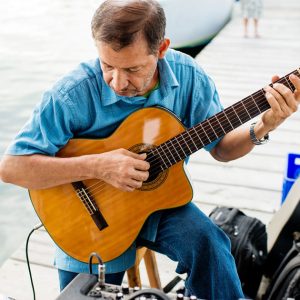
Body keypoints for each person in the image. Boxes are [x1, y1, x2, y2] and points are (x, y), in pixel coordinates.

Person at [0, 0, 299, 298]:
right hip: (86, 221)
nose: (117, 82)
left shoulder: (189, 77)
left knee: (211, 245)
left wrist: (264, 125)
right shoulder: (71, 94)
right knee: (84, 293)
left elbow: (220, 148)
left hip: (158, 205)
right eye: (107, 66)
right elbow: (12, 167)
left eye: (132, 69)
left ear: (162, 48)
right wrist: (98, 166)